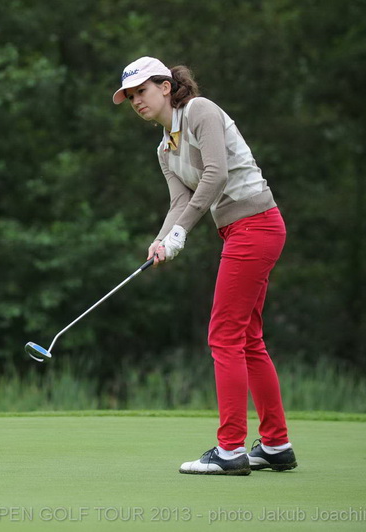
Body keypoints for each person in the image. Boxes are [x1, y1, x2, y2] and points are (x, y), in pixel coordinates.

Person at [112, 57, 298, 475]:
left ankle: (230, 450)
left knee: (224, 336)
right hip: (240, 231)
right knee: (247, 339)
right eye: (130, 96)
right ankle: (275, 444)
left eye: (142, 91)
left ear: (165, 86)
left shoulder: (200, 111)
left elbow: (216, 174)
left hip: (256, 224)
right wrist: (162, 238)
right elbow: (180, 201)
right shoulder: (165, 148)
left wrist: (182, 232)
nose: (137, 101)